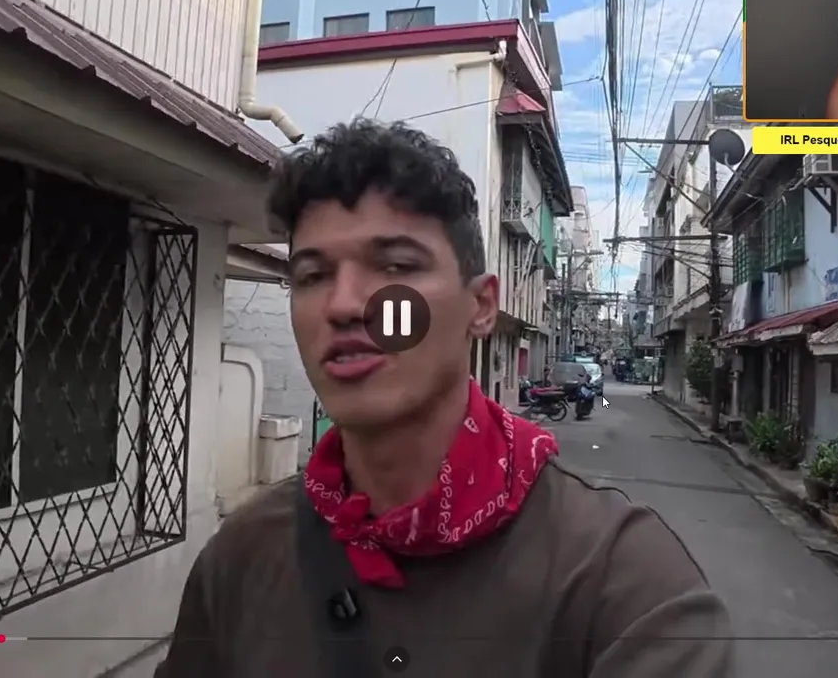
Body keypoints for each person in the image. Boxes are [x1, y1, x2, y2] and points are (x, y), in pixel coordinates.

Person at [154, 119, 733, 677]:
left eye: (395, 266)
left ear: (480, 306)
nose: (344, 304)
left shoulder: (622, 584)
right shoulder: (240, 559)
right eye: (312, 275)